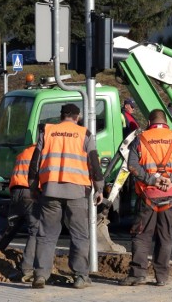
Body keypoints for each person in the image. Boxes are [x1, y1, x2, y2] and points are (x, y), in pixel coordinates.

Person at [119, 109, 172, 287]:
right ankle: (161, 277)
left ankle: (138, 274)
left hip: (147, 196)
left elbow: (132, 165)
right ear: (166, 121)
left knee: (141, 236)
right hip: (170, 196)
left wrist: (152, 179)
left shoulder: (141, 138)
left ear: (148, 121)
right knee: (165, 237)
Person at [32, 104, 104, 289]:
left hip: (50, 190)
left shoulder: (47, 131)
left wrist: (33, 186)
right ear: (77, 117)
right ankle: (80, 276)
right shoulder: (84, 134)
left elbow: (35, 161)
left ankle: (40, 275)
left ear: (61, 116)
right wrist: (99, 188)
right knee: (79, 235)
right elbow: (94, 163)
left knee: (46, 234)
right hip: (77, 192)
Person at [0, 142, 41, 283]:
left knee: (10, 226)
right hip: (30, 193)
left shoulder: (25, 152)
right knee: (35, 230)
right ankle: (27, 268)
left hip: (16, 192)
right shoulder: (43, 153)